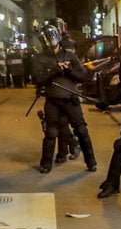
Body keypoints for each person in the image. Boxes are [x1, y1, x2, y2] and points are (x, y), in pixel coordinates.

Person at [31, 27, 96, 173]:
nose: (48, 41)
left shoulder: (70, 56)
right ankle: (46, 164)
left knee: (81, 130)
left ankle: (91, 162)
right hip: (52, 99)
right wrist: (54, 70)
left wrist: (69, 70)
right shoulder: (39, 58)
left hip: (70, 98)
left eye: (50, 37)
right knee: (51, 133)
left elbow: (83, 76)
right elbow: (37, 79)